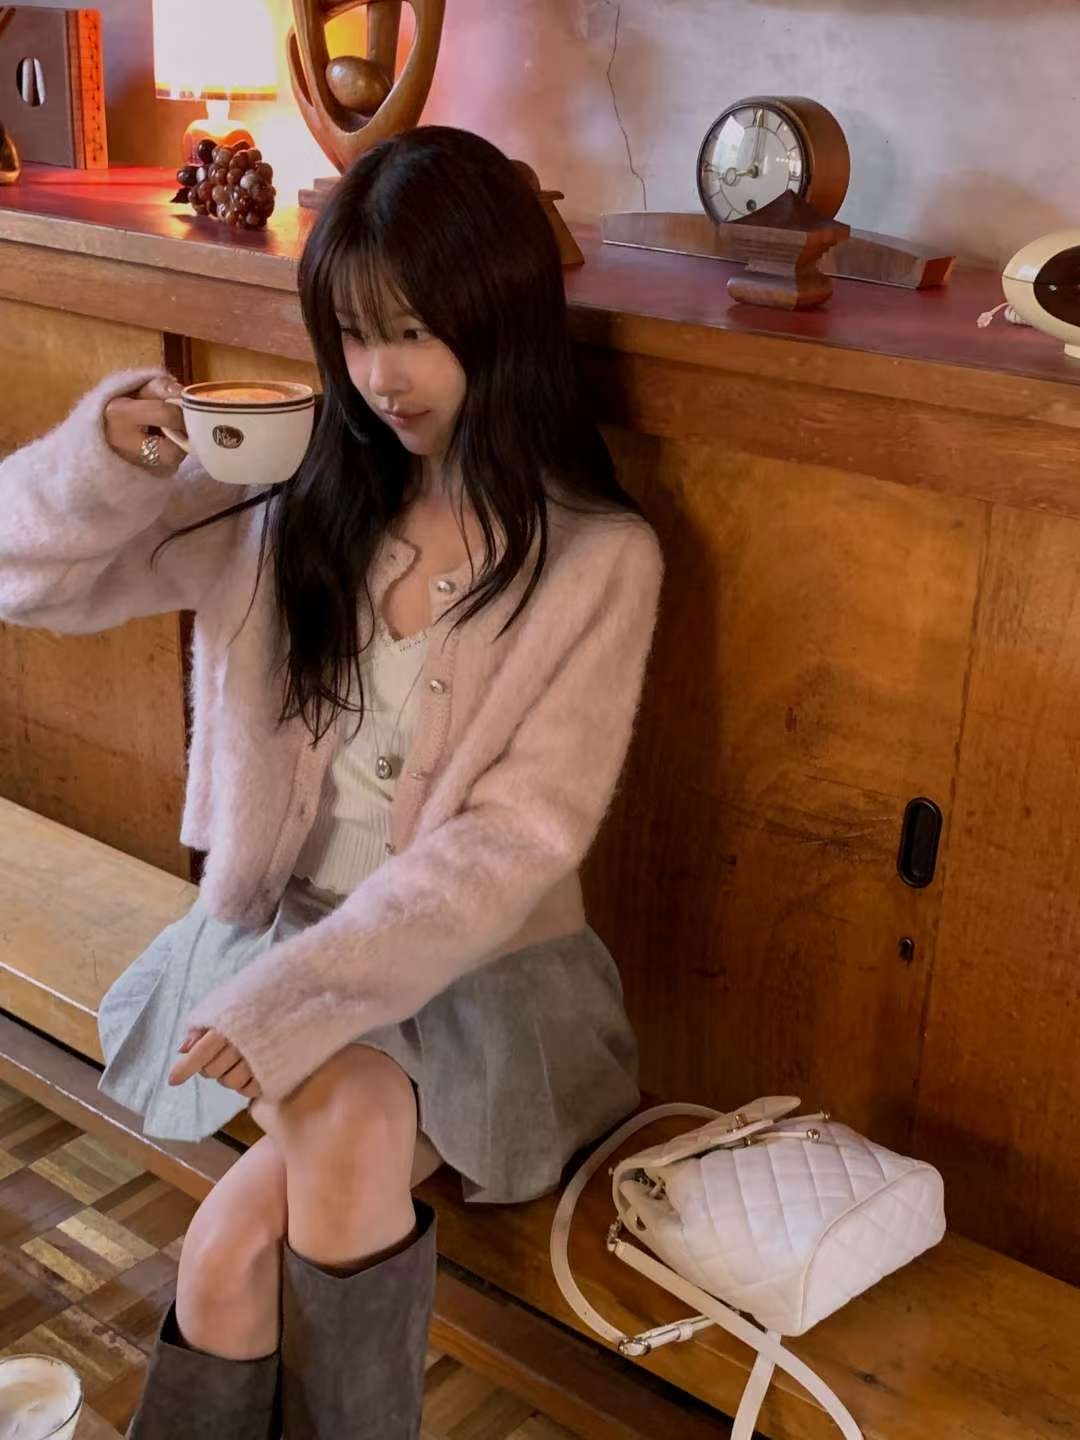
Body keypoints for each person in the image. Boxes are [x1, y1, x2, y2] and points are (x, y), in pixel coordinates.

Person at [0, 126, 662, 1439]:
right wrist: (113, 464)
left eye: (414, 332)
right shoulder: (282, 500)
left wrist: (296, 1001)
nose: (380, 376)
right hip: (279, 931)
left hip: (477, 979)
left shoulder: (598, 561)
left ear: (501, 321)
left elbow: (512, 844)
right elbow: (26, 578)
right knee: (235, 1245)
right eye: (354, 335)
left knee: (236, 1241)